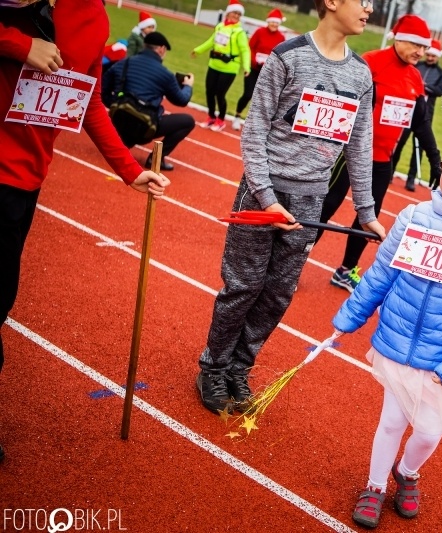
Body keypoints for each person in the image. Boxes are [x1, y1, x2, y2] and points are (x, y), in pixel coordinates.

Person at [195, 0, 386, 414]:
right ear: (332, 3)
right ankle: (212, 368)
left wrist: (367, 212)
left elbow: (359, 145)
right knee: (243, 286)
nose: (369, 8)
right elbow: (256, 128)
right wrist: (266, 196)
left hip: (310, 201)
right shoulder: (288, 57)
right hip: (264, 196)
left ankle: (239, 369)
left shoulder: (361, 74)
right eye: (362, 0)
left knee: (278, 294)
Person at [0, 0, 170, 462]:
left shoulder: (91, 16)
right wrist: (18, 44)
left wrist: (128, 169)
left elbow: (87, 97)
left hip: (22, 180)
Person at [332, 131, 442, 528]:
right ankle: (375, 485)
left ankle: (407, 473)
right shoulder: (413, 217)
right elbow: (381, 274)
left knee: (429, 432)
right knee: (392, 422)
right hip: (396, 342)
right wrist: (350, 316)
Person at [320, 14, 442, 293]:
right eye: (416, 45)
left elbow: (421, 124)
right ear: (399, 39)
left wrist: (435, 161)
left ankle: (345, 270)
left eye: (424, 48)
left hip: (381, 160)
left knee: (369, 217)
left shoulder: (414, 78)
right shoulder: (371, 62)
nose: (421, 52)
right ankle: (292, 263)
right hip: (348, 153)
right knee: (326, 206)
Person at [102, 31, 196, 171]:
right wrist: (188, 86)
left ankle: (120, 142)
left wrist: (116, 104)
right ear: (161, 49)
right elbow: (181, 100)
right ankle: (155, 159)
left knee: (124, 114)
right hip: (144, 129)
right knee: (188, 121)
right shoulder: (165, 74)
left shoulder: (124, 63)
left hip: (119, 123)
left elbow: (103, 90)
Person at [391, 39, 442, 191]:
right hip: (407, 110)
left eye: (433, 56)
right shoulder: (417, 66)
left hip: (425, 114)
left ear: (438, 57)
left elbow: (439, 90)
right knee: (399, 142)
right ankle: (390, 172)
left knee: (420, 147)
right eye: (428, 55)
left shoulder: (441, 73)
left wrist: (423, 86)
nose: (429, 58)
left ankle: (410, 179)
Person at [191, 0, 251, 132]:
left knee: (220, 94)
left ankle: (221, 120)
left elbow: (245, 50)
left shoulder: (239, 32)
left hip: (229, 68)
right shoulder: (220, 27)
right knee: (209, 92)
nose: (236, 16)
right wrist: (198, 50)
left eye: (238, 14)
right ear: (228, 13)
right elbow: (211, 41)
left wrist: (246, 67)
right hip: (214, 65)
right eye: (234, 13)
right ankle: (211, 116)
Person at [232, 8, 286, 131]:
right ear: (268, 21)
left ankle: (255, 123)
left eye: (276, 23)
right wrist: (254, 61)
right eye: (272, 22)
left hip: (268, 72)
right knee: (247, 94)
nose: (274, 24)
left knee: (264, 99)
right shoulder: (259, 32)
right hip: (254, 69)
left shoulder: (281, 37)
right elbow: (249, 48)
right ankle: (237, 115)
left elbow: (280, 55)